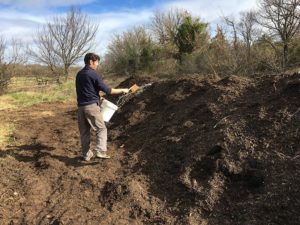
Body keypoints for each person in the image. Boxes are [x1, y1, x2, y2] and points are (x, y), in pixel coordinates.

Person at [76, 53, 129, 161]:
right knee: (101, 128)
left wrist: (97, 97)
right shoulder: (93, 74)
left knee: (84, 131)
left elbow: (85, 90)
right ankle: (100, 151)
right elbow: (108, 90)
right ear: (91, 61)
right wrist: (123, 90)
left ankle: (86, 155)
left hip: (81, 107)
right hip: (91, 107)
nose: (97, 65)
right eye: (97, 63)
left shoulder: (79, 74)